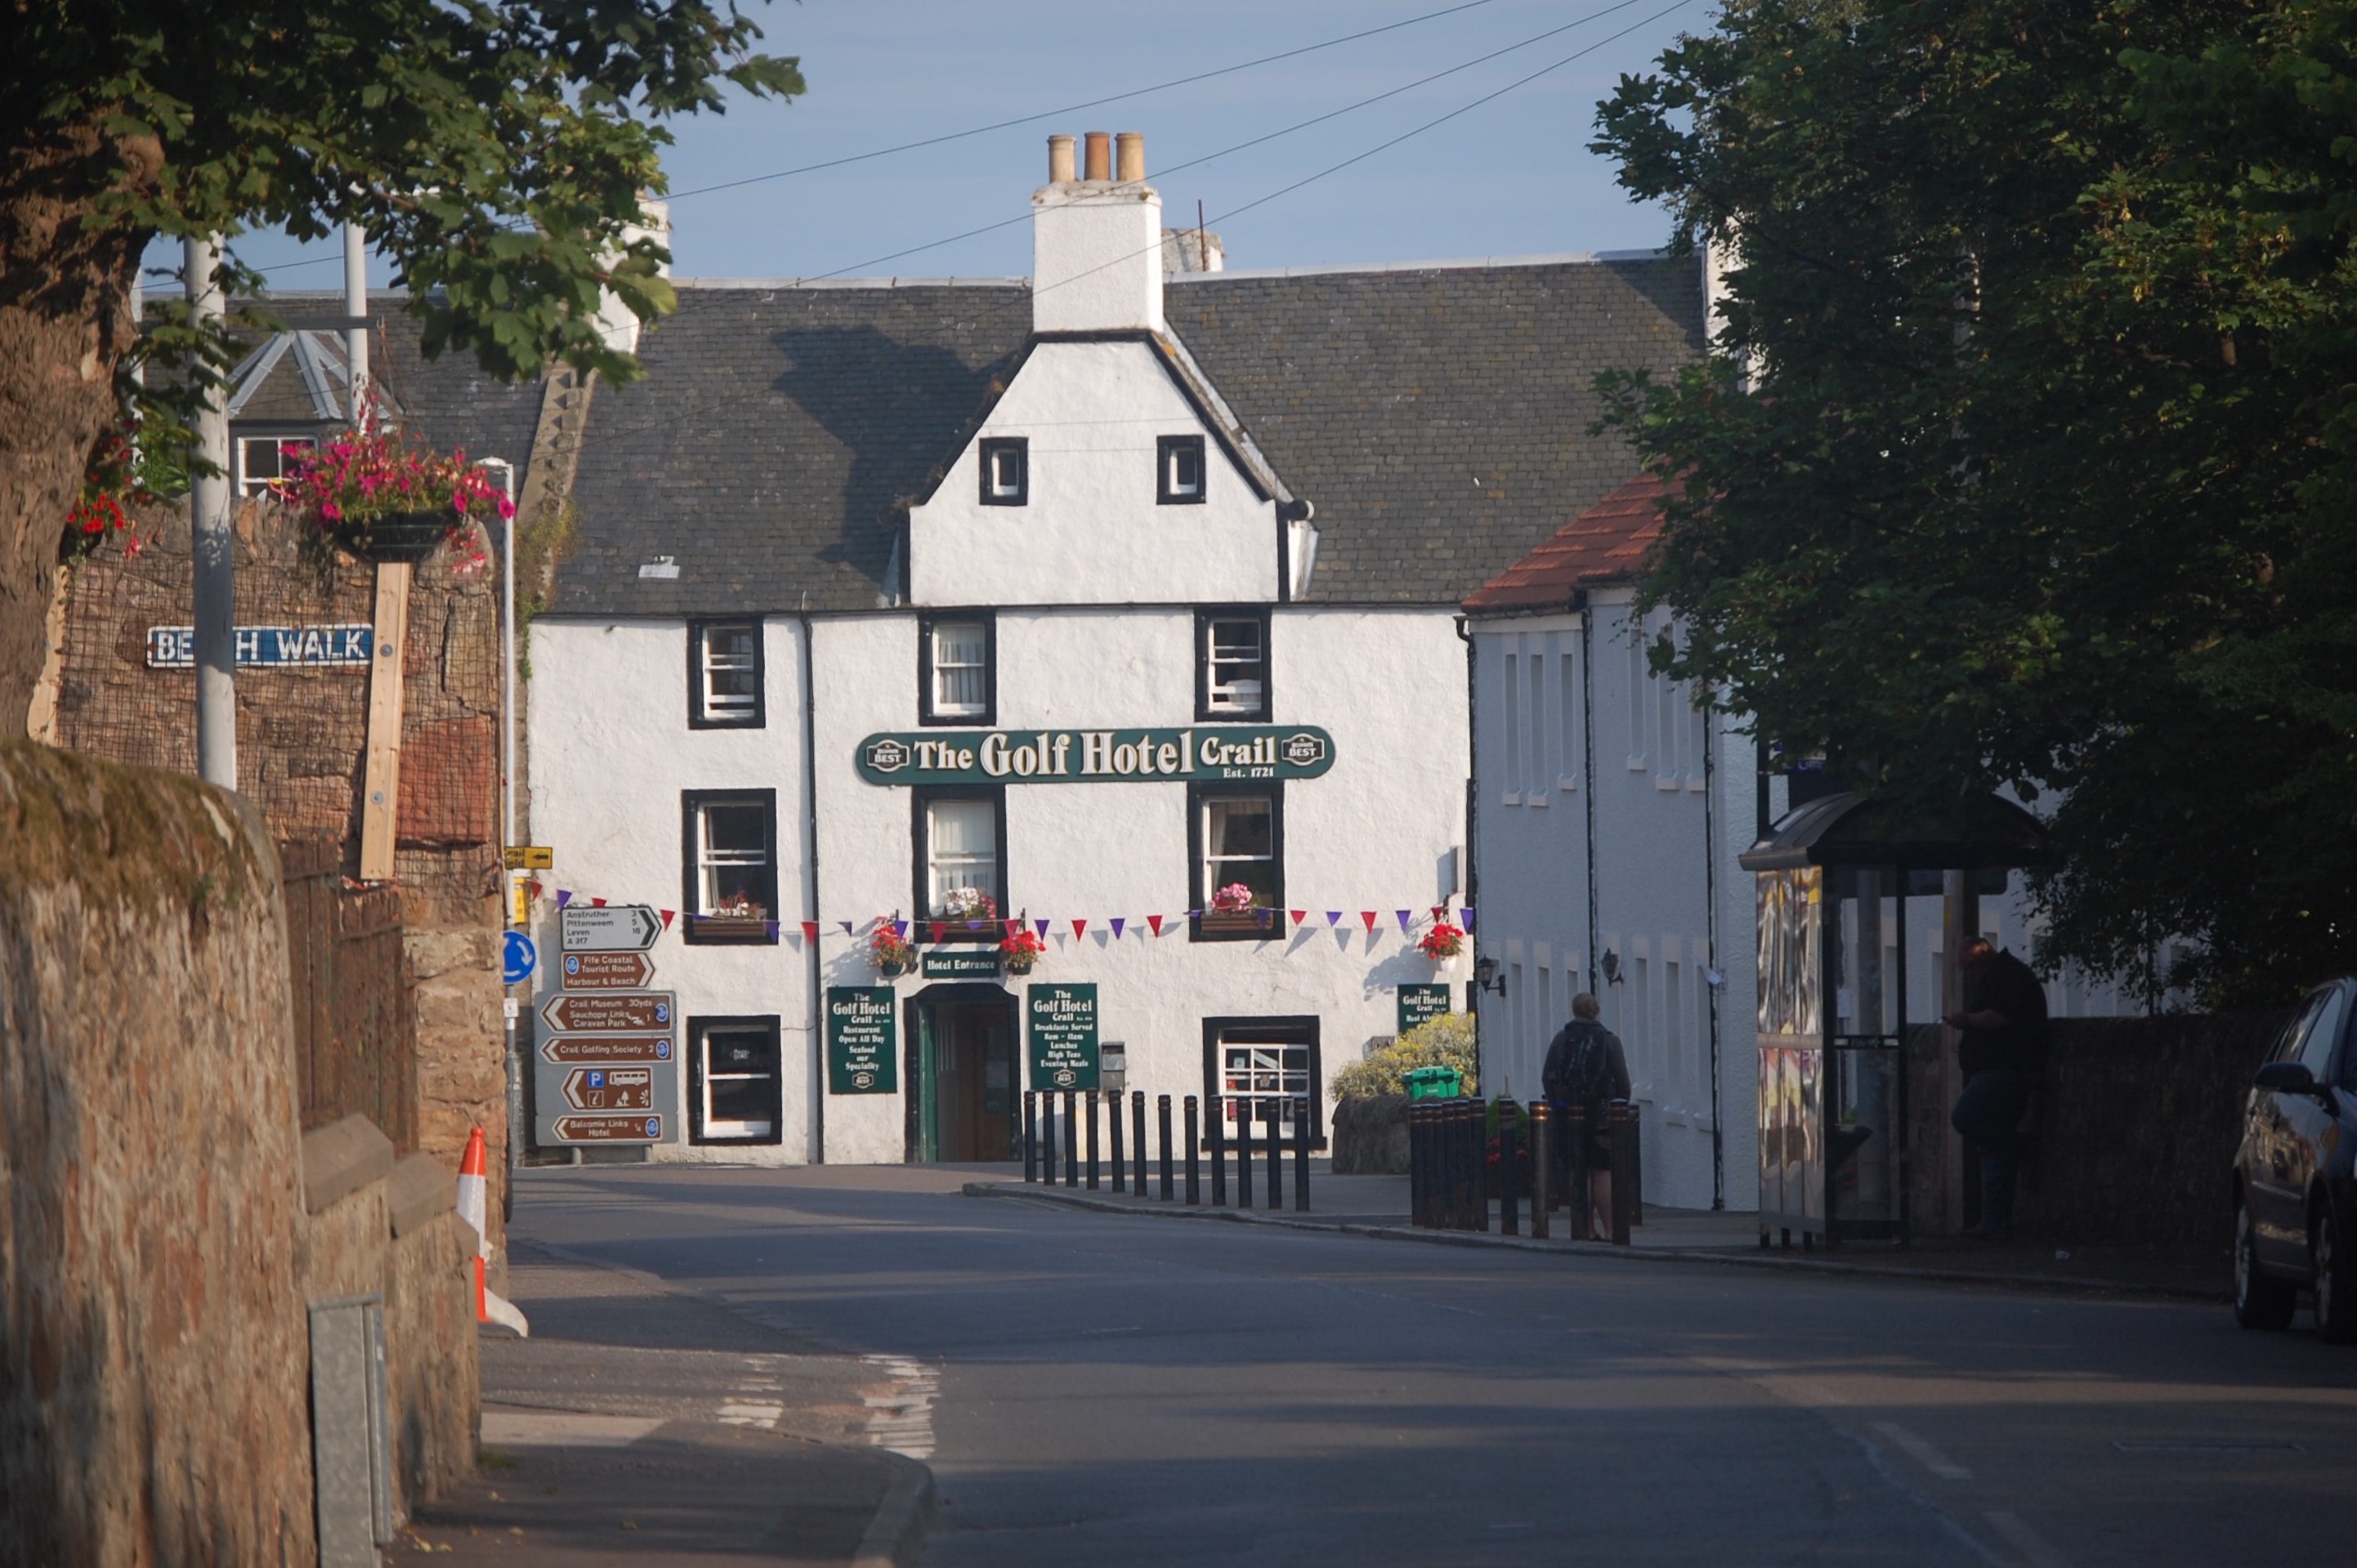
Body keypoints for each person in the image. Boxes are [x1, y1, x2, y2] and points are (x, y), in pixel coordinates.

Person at [1943, 937, 2049, 1240]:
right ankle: (1994, 1220)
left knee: (1969, 1119)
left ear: (1982, 953)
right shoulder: (1999, 975)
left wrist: (1967, 1020)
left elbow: (1999, 1017)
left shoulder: (2008, 976)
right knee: (1992, 1148)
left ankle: (2011, 1148)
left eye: (1971, 966)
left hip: (2008, 1068)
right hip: (1997, 1069)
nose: (1970, 973)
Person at [1541, 993, 1632, 1235]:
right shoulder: (1610, 1041)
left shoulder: (1562, 1039)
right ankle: (1613, 1229)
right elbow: (1623, 1084)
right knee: (1601, 1172)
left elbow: (1547, 1076)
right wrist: (1617, 1111)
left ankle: (1586, 1228)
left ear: (1574, 1011)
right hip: (1601, 1116)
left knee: (1579, 1170)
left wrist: (1559, 1105)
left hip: (1569, 1115)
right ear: (1597, 1010)